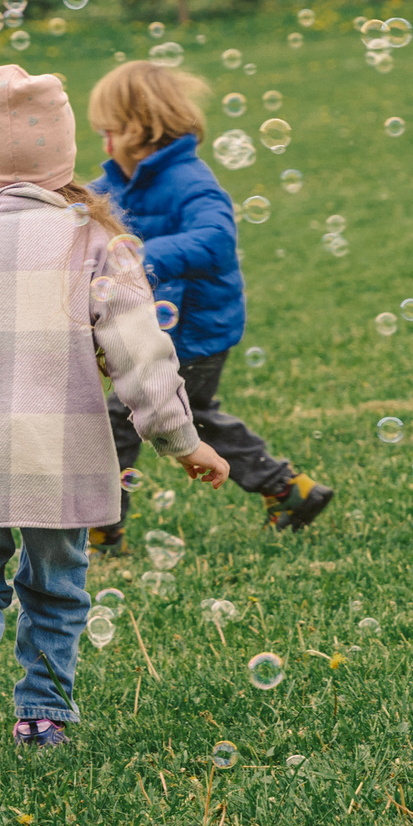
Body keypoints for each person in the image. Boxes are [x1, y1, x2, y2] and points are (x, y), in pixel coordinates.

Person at [0, 66, 230, 752]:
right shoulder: (94, 241)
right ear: (66, 156)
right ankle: (42, 716)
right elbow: (142, 359)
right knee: (56, 587)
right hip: (59, 456)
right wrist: (185, 442)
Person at [86, 60, 332, 543]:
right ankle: (287, 488)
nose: (104, 141)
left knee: (130, 416)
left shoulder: (188, 179)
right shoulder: (118, 179)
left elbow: (215, 238)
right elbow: (75, 207)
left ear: (135, 127)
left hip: (195, 329)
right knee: (189, 414)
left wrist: (140, 258)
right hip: (159, 326)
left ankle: (101, 525)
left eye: (107, 129)